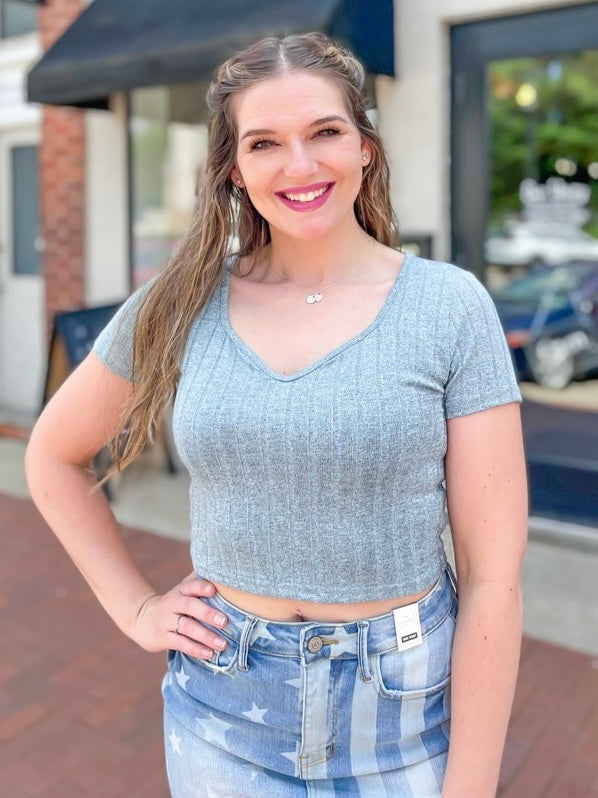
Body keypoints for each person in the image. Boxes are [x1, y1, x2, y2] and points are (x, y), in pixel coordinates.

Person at [25, 32, 527, 798]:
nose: (299, 166)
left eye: (324, 132)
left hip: (401, 711)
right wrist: (136, 607)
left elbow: (493, 580)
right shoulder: (183, 302)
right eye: (265, 143)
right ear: (234, 169)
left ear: (364, 146)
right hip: (222, 708)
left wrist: (473, 787)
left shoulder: (449, 308)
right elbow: (53, 455)